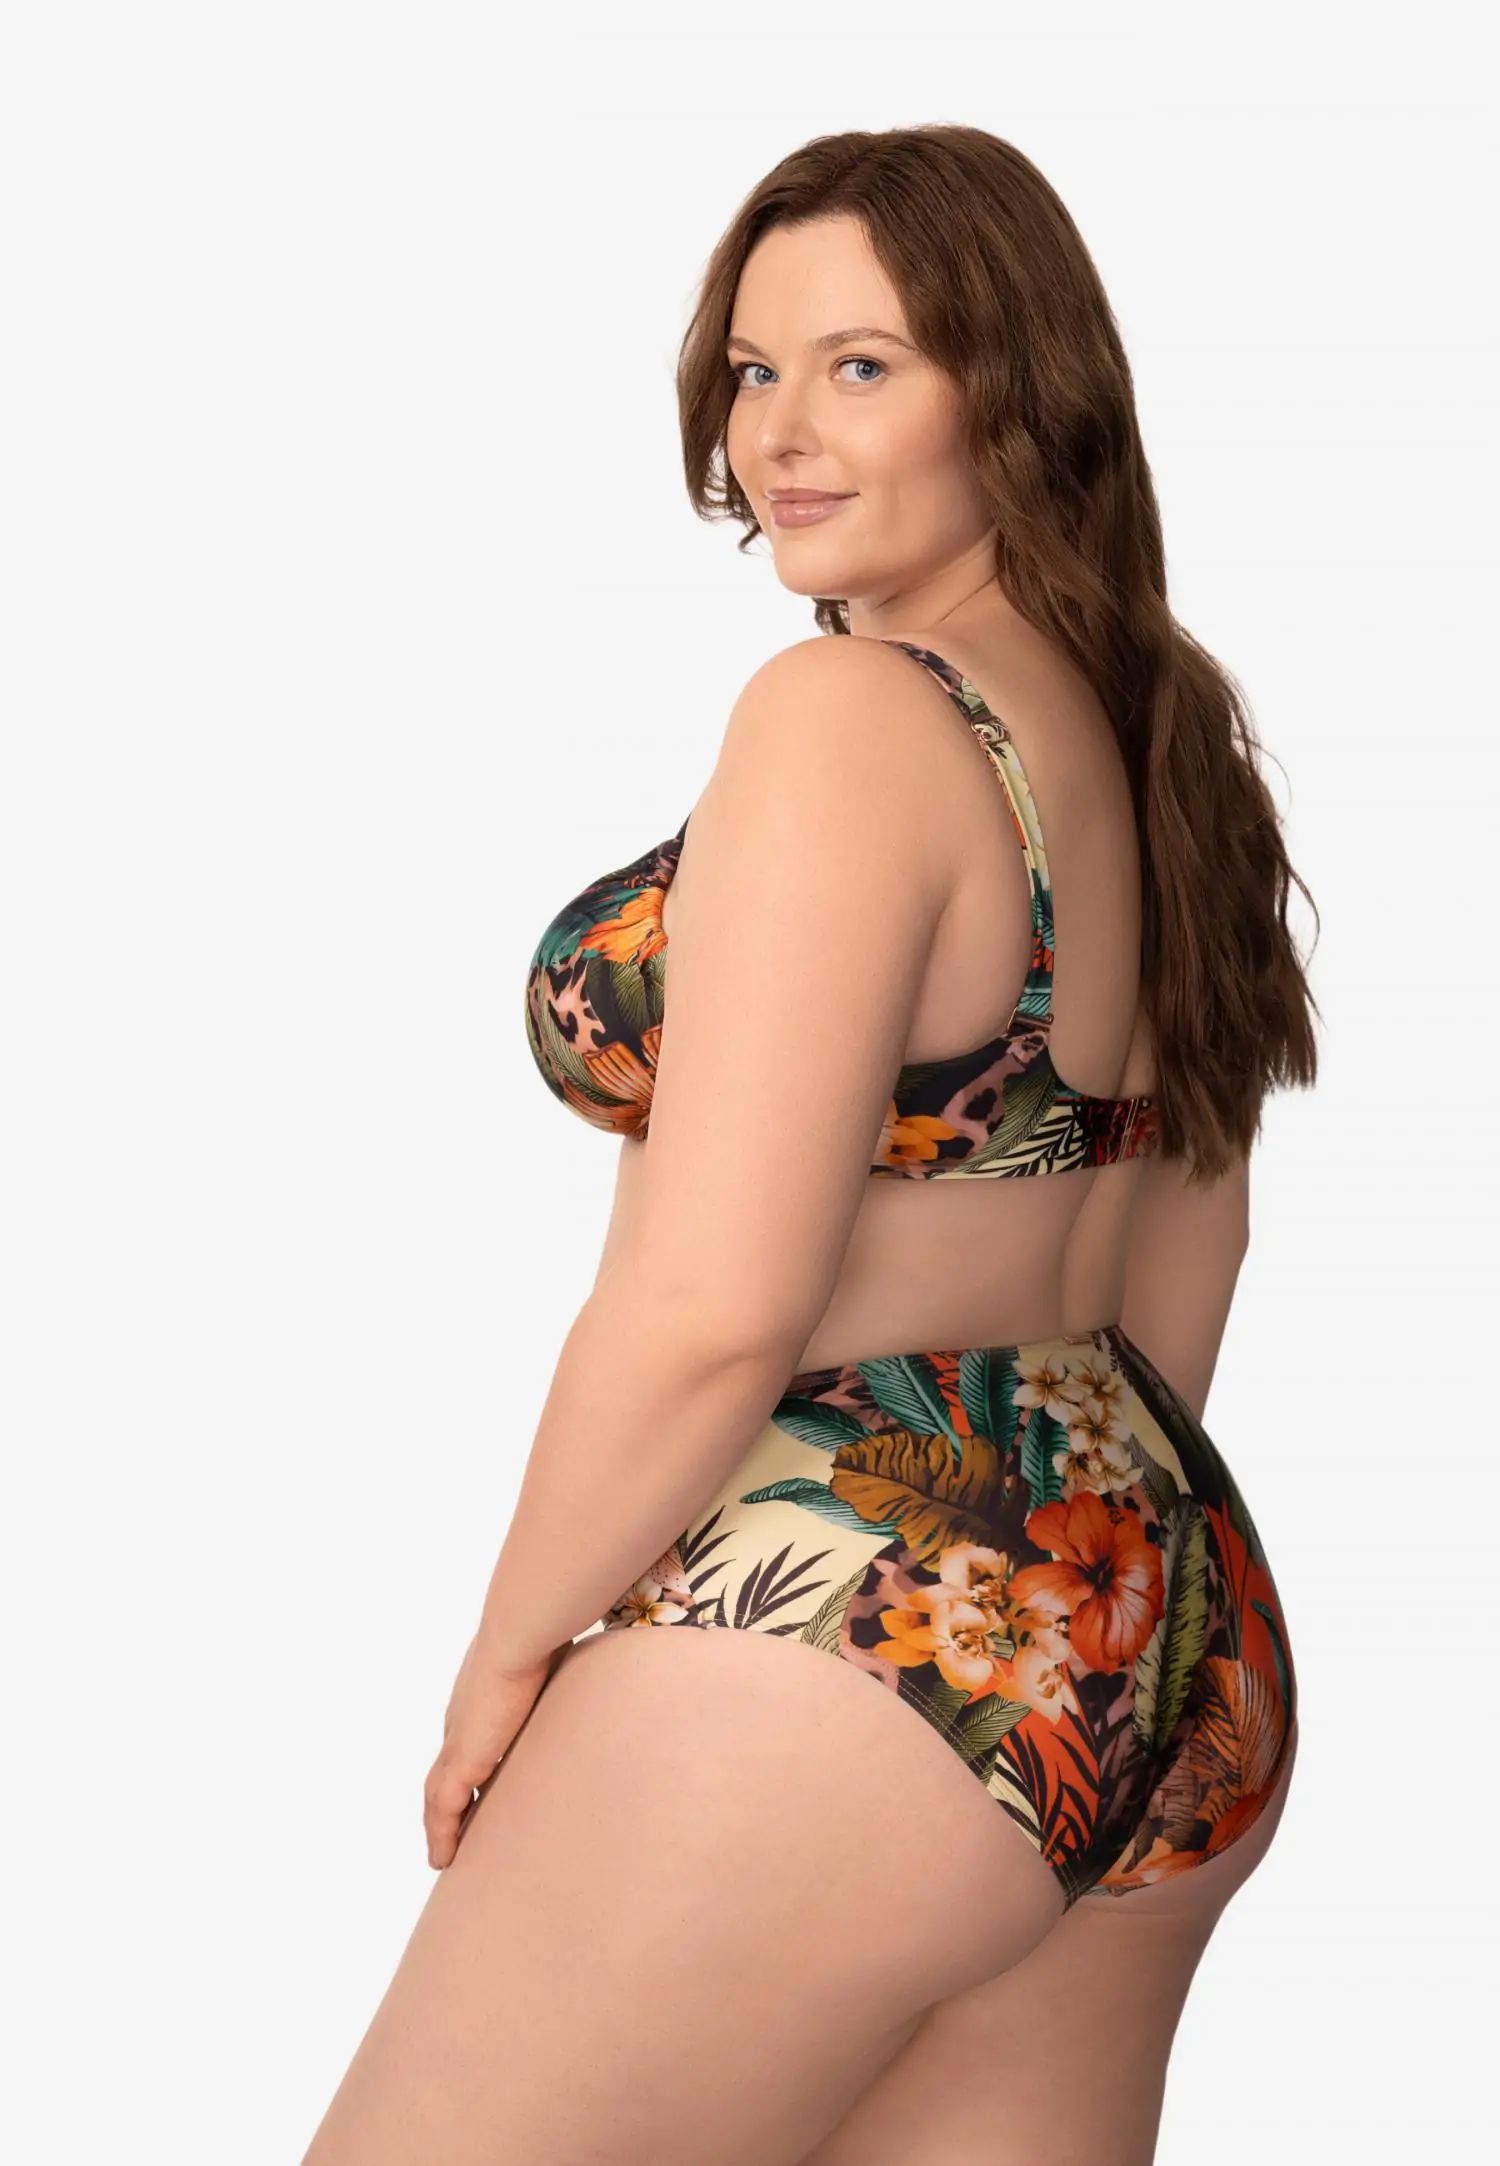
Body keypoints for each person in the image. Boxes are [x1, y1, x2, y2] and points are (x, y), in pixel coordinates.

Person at [303, 123, 1319, 2166]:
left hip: (855, 1599)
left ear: (1016, 389)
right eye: (756, 369)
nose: (780, 430)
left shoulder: (849, 720)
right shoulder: (1158, 739)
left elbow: (714, 1304)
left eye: (864, 366)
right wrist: (1067, 1607)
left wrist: (508, 1653)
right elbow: (1187, 1244)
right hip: (1159, 1604)